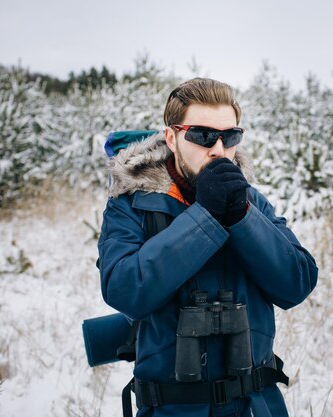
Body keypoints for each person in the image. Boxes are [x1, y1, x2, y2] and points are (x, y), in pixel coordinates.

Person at [97, 78, 319, 417]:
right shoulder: (131, 205)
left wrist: (241, 216)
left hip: (256, 406)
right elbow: (124, 288)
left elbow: (297, 283)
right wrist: (205, 217)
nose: (218, 149)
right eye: (202, 135)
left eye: (230, 136)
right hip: (172, 409)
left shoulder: (251, 202)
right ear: (171, 137)